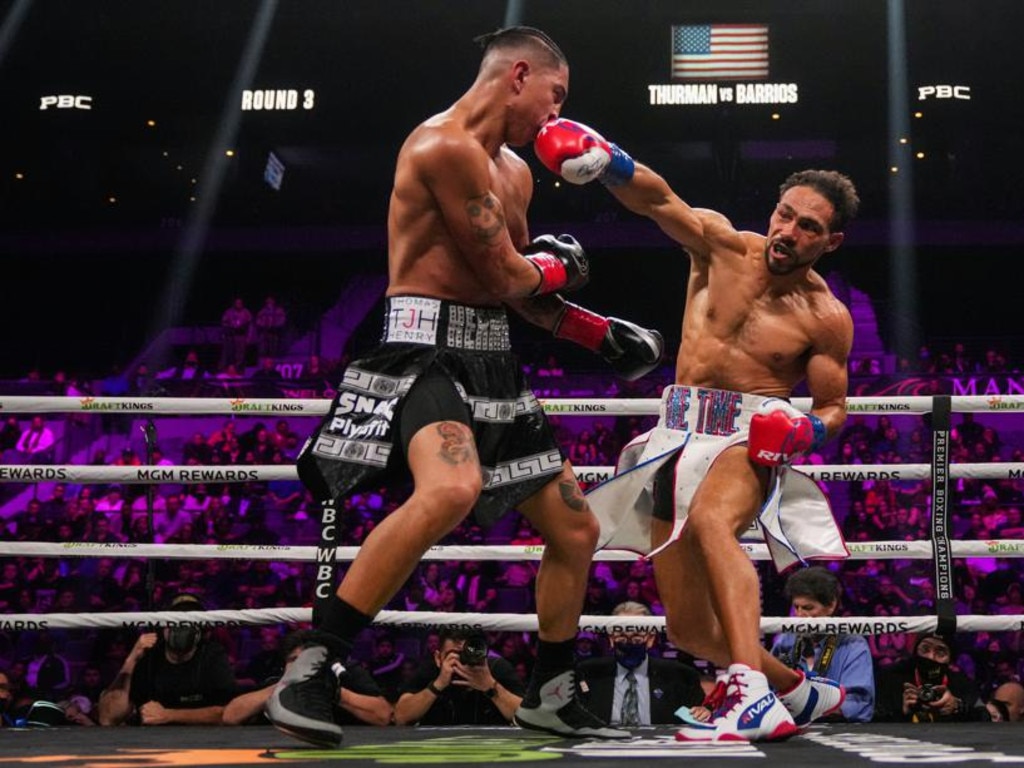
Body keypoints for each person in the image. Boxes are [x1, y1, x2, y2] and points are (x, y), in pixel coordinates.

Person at [265, 26, 663, 749]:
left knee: (576, 528)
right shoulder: (442, 146)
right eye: (556, 95)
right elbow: (516, 273)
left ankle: (549, 693)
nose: (557, 115)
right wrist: (563, 270)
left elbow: (512, 289)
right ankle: (312, 670)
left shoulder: (513, 172)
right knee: (448, 490)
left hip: (492, 359)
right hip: (421, 352)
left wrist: (596, 333)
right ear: (518, 75)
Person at [535, 117, 861, 741]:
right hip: (674, 434)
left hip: (750, 435)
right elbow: (658, 200)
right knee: (686, 628)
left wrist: (806, 435)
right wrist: (608, 160)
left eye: (809, 227)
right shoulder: (721, 247)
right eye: (785, 215)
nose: (788, 232)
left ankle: (751, 696)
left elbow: (833, 407)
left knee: (714, 522)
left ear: (832, 241)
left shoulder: (826, 316)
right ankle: (800, 691)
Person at [96, 593, 238, 726]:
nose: (182, 627)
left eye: (189, 621)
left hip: (200, 741)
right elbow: (108, 718)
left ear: (201, 630)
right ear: (164, 626)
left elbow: (226, 713)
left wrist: (169, 715)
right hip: (152, 742)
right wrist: (131, 660)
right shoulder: (149, 657)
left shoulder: (212, 655)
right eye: (176, 620)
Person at [223, 629, 392, 727]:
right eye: (294, 660)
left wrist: (334, 691)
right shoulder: (276, 683)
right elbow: (230, 716)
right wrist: (281, 687)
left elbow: (384, 715)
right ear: (285, 665)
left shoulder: (346, 674)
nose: (301, 666)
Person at [769, 566, 875, 722]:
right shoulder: (785, 641)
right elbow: (766, 693)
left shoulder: (853, 645)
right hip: (790, 731)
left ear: (831, 605)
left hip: (837, 733)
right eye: (796, 607)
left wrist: (807, 706)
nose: (800, 616)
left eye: (808, 608)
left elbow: (859, 706)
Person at [575, 601, 705, 726]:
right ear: (611, 638)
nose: (629, 642)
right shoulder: (587, 674)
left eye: (636, 636)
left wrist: (703, 713)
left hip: (658, 746)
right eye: (621, 635)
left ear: (650, 638)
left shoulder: (680, 677)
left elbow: (702, 715)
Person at [394, 628, 524, 726]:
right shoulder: (430, 670)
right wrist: (438, 685)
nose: (464, 661)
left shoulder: (497, 669)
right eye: (455, 655)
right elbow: (401, 717)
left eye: (468, 654)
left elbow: (526, 717)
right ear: (438, 658)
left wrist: (490, 687)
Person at [873, 631, 990, 722]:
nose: (930, 658)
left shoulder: (961, 684)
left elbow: (985, 719)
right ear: (915, 652)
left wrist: (958, 707)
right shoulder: (891, 680)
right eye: (925, 649)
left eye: (940, 653)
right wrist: (902, 713)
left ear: (950, 661)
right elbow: (873, 722)